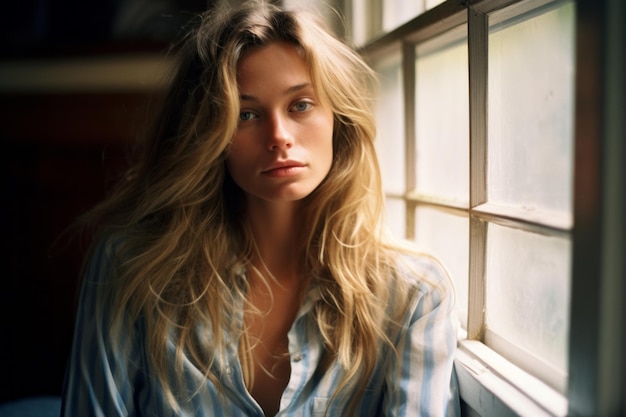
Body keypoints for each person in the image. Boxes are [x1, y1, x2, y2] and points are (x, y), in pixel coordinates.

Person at [60, 1, 460, 416]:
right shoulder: (131, 267)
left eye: (300, 105)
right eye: (246, 114)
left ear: (338, 117)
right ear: (208, 134)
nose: (279, 136)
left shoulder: (413, 296)